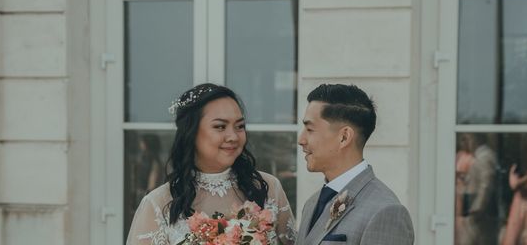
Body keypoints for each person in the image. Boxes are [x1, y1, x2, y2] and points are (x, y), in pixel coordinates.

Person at [126, 83, 296, 245]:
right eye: (220, 127)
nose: (233, 137)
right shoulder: (158, 203)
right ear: (191, 132)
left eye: (240, 126)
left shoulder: (268, 188)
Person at [296, 84, 414, 245]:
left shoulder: (385, 211)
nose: (301, 140)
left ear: (344, 137)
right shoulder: (312, 203)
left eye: (310, 129)